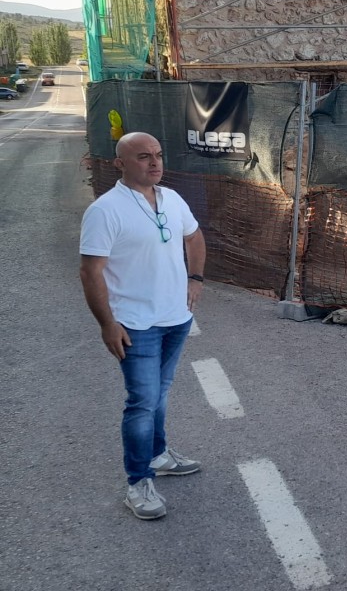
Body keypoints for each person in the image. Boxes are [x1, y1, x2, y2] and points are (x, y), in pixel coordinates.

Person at [79, 132, 207, 520]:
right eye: (142, 157)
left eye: (157, 155)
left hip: (176, 319)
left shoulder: (172, 199)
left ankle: (158, 454)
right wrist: (107, 324)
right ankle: (137, 482)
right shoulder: (105, 210)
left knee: (161, 393)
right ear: (120, 163)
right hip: (134, 326)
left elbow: (195, 236)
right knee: (141, 402)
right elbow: (90, 272)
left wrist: (195, 279)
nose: (154, 163)